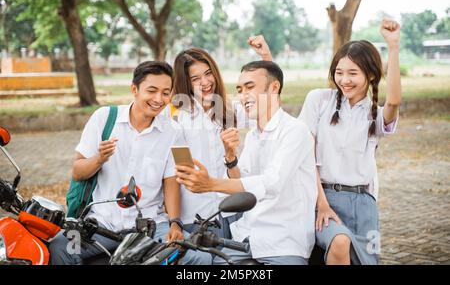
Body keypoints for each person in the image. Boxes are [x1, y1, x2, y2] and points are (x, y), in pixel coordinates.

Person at [49, 61, 208, 265]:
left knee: (199, 258)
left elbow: (172, 181)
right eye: (152, 91)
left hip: (150, 228)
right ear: (134, 89)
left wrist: (175, 223)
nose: (159, 99)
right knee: (61, 248)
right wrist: (99, 159)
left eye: (166, 93)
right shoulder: (104, 117)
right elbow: (78, 172)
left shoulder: (174, 132)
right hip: (99, 225)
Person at [175, 61, 318, 265]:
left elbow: (272, 184)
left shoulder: (295, 131)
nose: (243, 96)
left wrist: (211, 184)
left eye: (250, 87)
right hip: (245, 239)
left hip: (283, 243)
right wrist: (231, 158)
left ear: (274, 87)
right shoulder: (252, 136)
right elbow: (242, 183)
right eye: (240, 90)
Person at [298, 19, 402, 265]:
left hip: (364, 206)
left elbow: (394, 102)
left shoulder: (374, 115)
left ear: (371, 75)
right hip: (321, 199)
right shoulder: (318, 101)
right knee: (339, 242)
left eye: (353, 73)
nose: (344, 80)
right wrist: (321, 203)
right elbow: (304, 156)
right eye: (339, 72)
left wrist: (394, 47)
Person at [168, 36, 273, 236]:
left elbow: (267, 104)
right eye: (196, 78)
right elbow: (182, 171)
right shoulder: (178, 117)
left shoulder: (227, 110)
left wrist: (265, 57)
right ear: (186, 83)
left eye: (208, 74)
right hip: (197, 216)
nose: (206, 82)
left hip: (231, 211)